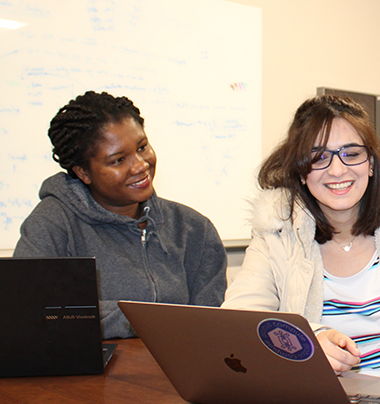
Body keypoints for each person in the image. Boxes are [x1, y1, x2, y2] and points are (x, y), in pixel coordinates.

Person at [222, 95, 380, 385]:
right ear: (301, 171)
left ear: (370, 162)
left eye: (352, 153)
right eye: (319, 157)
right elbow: (240, 324)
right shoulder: (275, 233)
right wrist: (308, 342)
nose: (337, 170)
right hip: (317, 402)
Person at [14, 91, 228, 339]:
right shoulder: (52, 224)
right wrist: (145, 320)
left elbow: (210, 325)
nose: (140, 165)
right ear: (83, 172)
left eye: (142, 147)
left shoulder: (193, 229)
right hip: (88, 376)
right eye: (118, 160)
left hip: (176, 373)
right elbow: (31, 312)